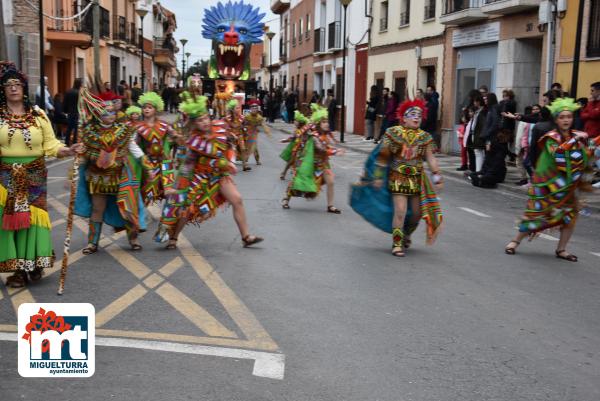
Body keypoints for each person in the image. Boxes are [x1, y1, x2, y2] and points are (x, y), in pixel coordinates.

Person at [0, 62, 80, 287]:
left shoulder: (38, 114)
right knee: (11, 222)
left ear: (24, 88)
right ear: (3, 90)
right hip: (5, 177)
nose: (13, 88)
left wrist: (67, 150)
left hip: (34, 174)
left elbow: (51, 144)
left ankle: (33, 263)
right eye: (8, 85)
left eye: (17, 84)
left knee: (33, 220)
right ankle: (17, 270)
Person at [161, 93, 263, 250]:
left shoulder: (220, 128)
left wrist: (230, 160)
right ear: (194, 123)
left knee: (237, 199)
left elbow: (230, 145)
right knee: (187, 208)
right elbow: (188, 165)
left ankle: (246, 237)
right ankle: (173, 237)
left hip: (219, 175)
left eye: (205, 118)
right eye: (199, 120)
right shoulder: (193, 140)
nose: (204, 122)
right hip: (199, 176)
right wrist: (179, 186)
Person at [505, 98, 599, 261]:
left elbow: (586, 155)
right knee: (535, 214)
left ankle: (561, 249)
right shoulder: (551, 137)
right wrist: (576, 140)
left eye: (569, 116)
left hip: (570, 187)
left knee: (569, 217)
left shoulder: (578, 136)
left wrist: (593, 144)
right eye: (562, 117)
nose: (566, 120)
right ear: (556, 119)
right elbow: (559, 155)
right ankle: (515, 241)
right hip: (548, 186)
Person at [350, 98, 443, 257]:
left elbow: (430, 158)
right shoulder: (393, 133)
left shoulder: (425, 137)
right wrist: (378, 176)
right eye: (412, 115)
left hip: (416, 179)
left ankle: (407, 233)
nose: (416, 118)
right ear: (404, 118)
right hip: (398, 177)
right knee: (400, 210)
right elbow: (383, 156)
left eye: (419, 115)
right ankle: (397, 243)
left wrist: (437, 176)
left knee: (416, 214)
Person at [74, 90, 146, 254]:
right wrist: (74, 171)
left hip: (121, 175)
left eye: (112, 111)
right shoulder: (89, 132)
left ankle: (134, 239)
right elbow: (83, 154)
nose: (111, 115)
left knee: (127, 207)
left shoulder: (124, 129)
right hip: (98, 177)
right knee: (97, 209)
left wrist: (145, 163)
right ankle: (92, 243)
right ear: (98, 114)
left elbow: (133, 148)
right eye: (106, 112)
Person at [281, 104, 342, 213]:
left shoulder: (325, 135)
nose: (327, 124)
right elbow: (321, 148)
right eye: (324, 122)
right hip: (310, 165)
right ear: (318, 123)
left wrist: (334, 147)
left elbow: (326, 146)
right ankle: (286, 199)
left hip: (322, 165)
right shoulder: (314, 136)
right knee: (298, 183)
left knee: (331, 182)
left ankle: (330, 206)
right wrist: (335, 151)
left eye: (327, 121)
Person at [135, 92, 181, 206]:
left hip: (163, 160)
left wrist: (179, 137)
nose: (146, 110)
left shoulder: (164, 125)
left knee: (168, 189)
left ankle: (170, 216)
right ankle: (141, 214)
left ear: (155, 109)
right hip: (148, 162)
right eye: (144, 107)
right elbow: (135, 145)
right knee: (147, 190)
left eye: (149, 107)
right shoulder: (138, 127)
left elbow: (174, 135)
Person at [279, 110, 309, 180]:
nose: (294, 122)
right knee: (290, 161)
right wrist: (285, 140)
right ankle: (284, 173)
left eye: (296, 120)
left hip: (303, 149)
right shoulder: (296, 130)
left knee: (301, 162)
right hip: (296, 147)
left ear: (300, 123)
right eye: (295, 120)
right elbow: (293, 138)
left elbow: (307, 138)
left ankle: (298, 176)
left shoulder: (305, 130)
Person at [243, 99, 271, 166]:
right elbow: (243, 124)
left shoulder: (259, 117)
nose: (254, 109)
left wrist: (267, 132)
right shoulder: (247, 116)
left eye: (256, 108)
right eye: (253, 108)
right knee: (247, 146)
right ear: (250, 109)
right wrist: (244, 129)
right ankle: (245, 159)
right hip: (247, 133)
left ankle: (257, 160)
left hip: (254, 133)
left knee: (254, 146)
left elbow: (264, 125)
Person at [466, 94, 487, 172]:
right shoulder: (478, 111)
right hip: (474, 133)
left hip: (479, 135)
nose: (474, 103)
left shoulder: (482, 111)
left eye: (475, 101)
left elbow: (481, 124)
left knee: (479, 153)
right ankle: (477, 171)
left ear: (479, 102)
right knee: (477, 152)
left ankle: (479, 171)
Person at [63, 78, 82, 146]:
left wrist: (65, 111)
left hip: (70, 112)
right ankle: (74, 142)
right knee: (76, 128)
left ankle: (66, 142)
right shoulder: (78, 93)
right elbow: (80, 103)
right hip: (76, 112)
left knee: (69, 128)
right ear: (79, 84)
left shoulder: (68, 91)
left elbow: (65, 102)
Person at [422, 85, 440, 150]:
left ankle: (433, 148)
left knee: (431, 134)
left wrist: (426, 121)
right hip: (429, 121)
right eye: (427, 90)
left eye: (429, 90)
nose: (428, 91)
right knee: (430, 134)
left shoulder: (433, 99)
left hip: (430, 121)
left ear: (432, 91)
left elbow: (432, 111)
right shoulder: (431, 100)